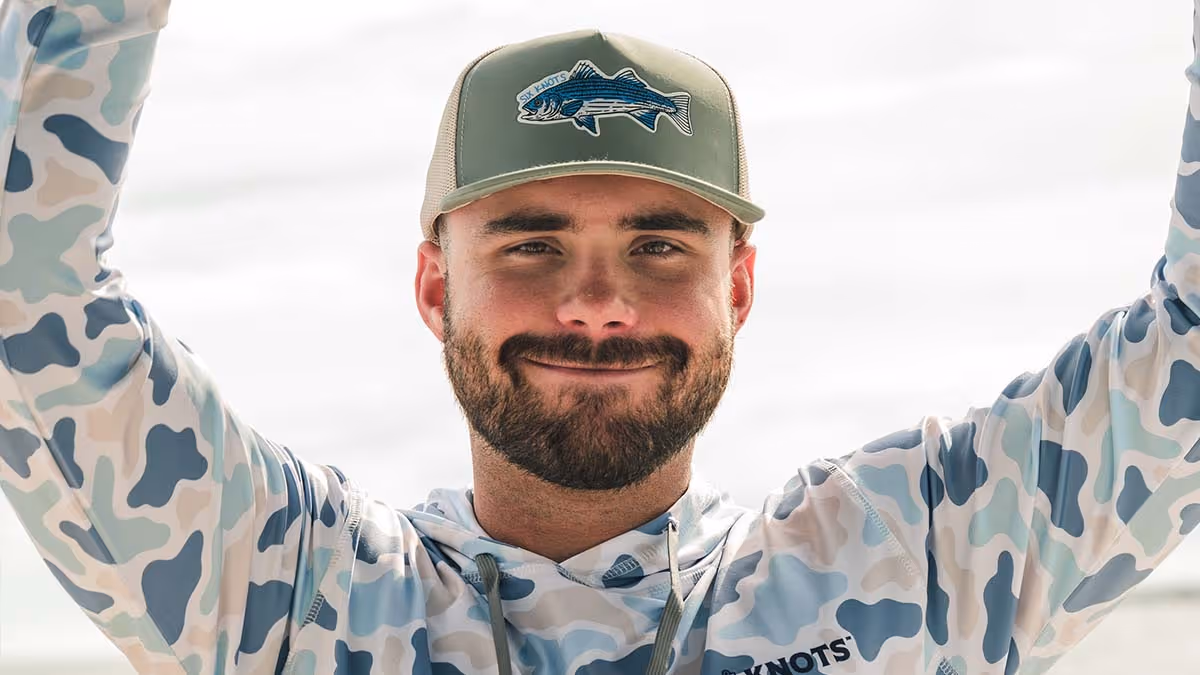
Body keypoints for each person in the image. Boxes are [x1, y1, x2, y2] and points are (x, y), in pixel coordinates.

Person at [3, 1, 1200, 674]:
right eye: (529, 245)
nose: (595, 304)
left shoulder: (908, 565)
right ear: (434, 287)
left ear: (740, 286)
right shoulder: (291, 597)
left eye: (660, 246)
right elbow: (27, 299)